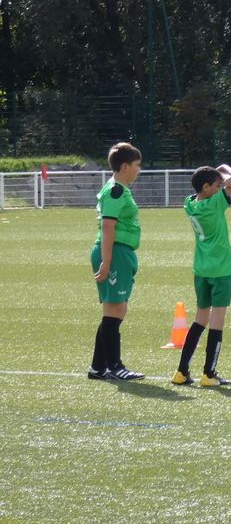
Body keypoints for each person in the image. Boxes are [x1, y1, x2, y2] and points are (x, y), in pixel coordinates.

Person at [173, 163, 231, 387]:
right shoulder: (215, 203)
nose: (220, 187)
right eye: (216, 185)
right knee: (217, 322)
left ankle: (181, 372)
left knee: (199, 319)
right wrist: (223, 168)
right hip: (221, 269)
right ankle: (208, 374)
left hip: (201, 269)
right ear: (206, 187)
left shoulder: (189, 203)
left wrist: (216, 175)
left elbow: (217, 185)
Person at [88, 142, 145, 381]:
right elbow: (108, 226)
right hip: (114, 253)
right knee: (114, 309)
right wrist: (106, 261)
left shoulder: (121, 189)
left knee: (117, 309)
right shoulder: (115, 191)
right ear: (125, 166)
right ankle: (114, 366)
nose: (139, 169)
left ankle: (98, 367)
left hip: (121, 252)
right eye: (136, 165)